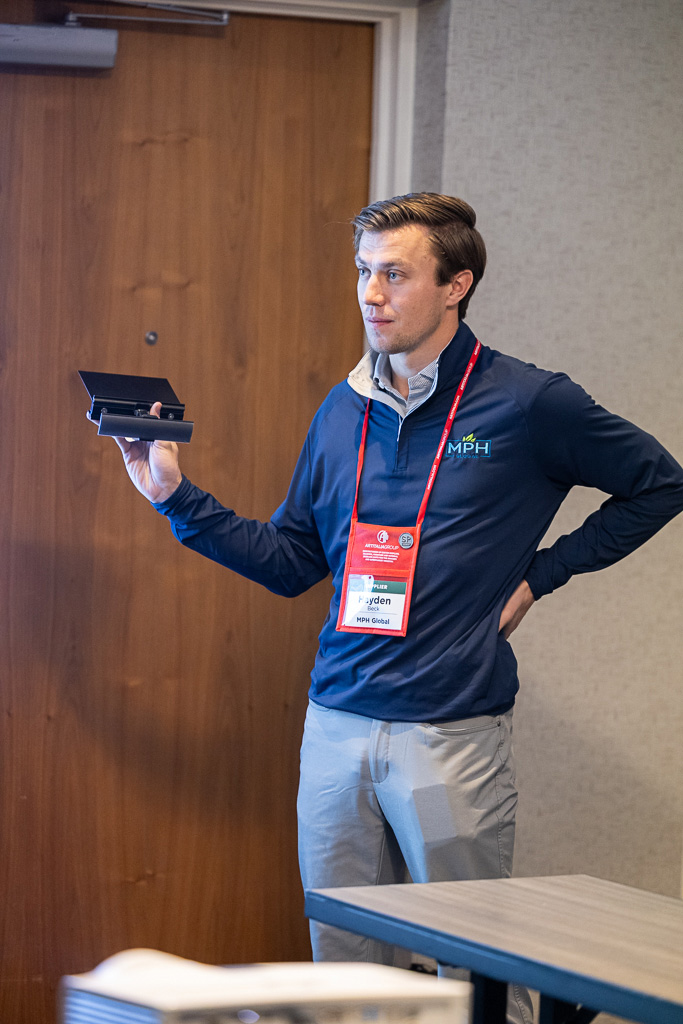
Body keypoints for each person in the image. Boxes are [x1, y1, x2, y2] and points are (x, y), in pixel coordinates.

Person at [107, 194, 683, 1024]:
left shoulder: (528, 403)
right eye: (363, 272)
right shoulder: (340, 409)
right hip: (335, 728)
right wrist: (175, 498)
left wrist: (539, 577)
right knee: (344, 976)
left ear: (455, 286)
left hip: (449, 734)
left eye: (395, 275)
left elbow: (658, 483)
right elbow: (292, 561)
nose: (370, 294)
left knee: (477, 969)